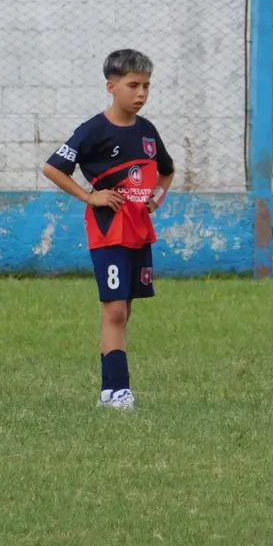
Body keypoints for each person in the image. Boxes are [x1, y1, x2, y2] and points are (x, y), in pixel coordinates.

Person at [43, 49, 175, 411]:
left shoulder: (148, 132)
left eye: (147, 86)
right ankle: (118, 391)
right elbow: (53, 168)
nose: (141, 93)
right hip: (108, 232)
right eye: (133, 85)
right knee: (114, 311)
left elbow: (166, 170)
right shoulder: (93, 130)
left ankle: (110, 393)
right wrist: (90, 196)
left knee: (125, 311)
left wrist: (156, 198)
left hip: (139, 231)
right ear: (111, 86)